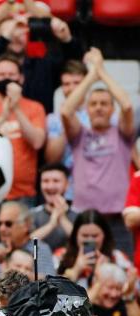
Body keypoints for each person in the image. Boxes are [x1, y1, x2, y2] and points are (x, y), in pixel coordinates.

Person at [62, 48, 135, 255]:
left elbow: (127, 105)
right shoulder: (79, 135)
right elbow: (66, 110)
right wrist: (92, 76)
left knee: (121, 277)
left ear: (113, 109)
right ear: (86, 110)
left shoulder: (122, 133)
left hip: (118, 220)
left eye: (104, 104)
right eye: (93, 104)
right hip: (85, 220)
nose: (99, 108)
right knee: (83, 275)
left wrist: (101, 71)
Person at [0, 54, 46, 203]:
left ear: (21, 78)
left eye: (11, 75)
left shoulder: (35, 107)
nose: (6, 79)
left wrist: (16, 108)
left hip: (23, 193)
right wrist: (3, 116)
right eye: (2, 75)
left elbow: (37, 142)